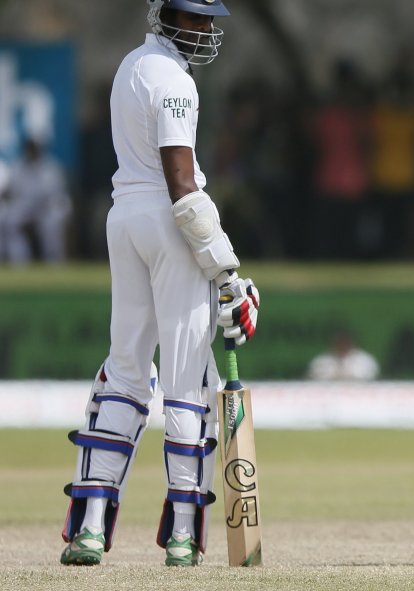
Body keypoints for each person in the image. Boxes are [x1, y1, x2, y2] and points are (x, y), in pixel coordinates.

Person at [59, 0, 260, 568]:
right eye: (193, 18)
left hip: (123, 219)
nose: (203, 29)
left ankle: (90, 528)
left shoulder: (130, 66)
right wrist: (228, 273)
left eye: (208, 20)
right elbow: (180, 182)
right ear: (163, 15)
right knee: (186, 377)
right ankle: (181, 533)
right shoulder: (176, 80)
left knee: (123, 371)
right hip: (171, 226)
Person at [1, 137, 72, 265]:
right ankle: (20, 262)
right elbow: (10, 192)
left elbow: (57, 195)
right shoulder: (18, 167)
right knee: (11, 220)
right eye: (29, 149)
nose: (32, 152)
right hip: (26, 207)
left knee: (53, 222)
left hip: (48, 207)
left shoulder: (50, 167)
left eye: (34, 149)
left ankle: (54, 262)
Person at [307, 331, 380, 381]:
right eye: (339, 342)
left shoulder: (365, 359)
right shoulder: (321, 360)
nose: (342, 345)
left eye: (344, 342)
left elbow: (370, 378)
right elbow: (314, 378)